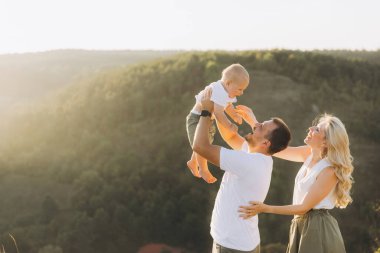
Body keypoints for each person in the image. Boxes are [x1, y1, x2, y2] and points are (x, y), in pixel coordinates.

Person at [238, 109, 354, 253]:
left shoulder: (329, 171)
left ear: (325, 142)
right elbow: (270, 147)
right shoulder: (308, 154)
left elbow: (304, 207)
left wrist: (265, 208)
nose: (310, 128)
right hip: (301, 224)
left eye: (317, 129)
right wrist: (255, 124)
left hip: (317, 228)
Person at [192, 89, 291, 253]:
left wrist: (205, 111)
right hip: (236, 243)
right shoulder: (259, 157)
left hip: (232, 247)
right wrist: (218, 109)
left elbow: (200, 147)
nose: (256, 124)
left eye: (261, 126)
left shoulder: (250, 162)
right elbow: (230, 137)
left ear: (266, 143)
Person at [186, 63, 249, 183]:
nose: (241, 93)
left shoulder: (227, 91)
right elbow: (219, 113)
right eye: (240, 89)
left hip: (207, 120)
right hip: (196, 119)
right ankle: (203, 169)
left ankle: (193, 162)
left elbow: (228, 105)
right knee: (203, 145)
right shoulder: (218, 91)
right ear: (228, 83)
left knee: (207, 141)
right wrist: (229, 125)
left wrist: (234, 115)